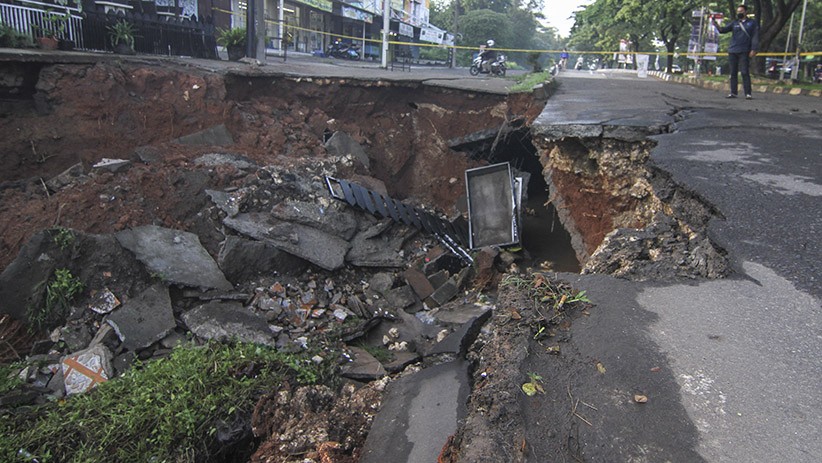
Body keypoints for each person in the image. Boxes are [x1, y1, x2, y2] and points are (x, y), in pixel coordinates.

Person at [712, 4, 759, 99]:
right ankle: (733, 92)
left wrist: (754, 49)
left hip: (745, 50)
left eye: (741, 11)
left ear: (746, 12)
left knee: (744, 72)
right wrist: (715, 23)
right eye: (738, 11)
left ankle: (748, 93)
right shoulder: (734, 23)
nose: (739, 13)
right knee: (733, 72)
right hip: (733, 50)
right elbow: (722, 30)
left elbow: (755, 36)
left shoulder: (752, 23)